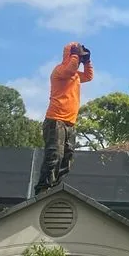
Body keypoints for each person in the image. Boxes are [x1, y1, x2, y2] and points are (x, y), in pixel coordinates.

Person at [34, 42, 93, 196]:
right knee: (54, 155)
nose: (79, 60)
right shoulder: (60, 70)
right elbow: (70, 69)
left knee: (68, 157)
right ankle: (43, 189)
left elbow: (88, 76)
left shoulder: (76, 75)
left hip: (69, 122)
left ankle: (54, 187)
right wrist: (75, 54)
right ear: (69, 55)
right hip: (55, 120)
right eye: (77, 57)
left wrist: (87, 62)